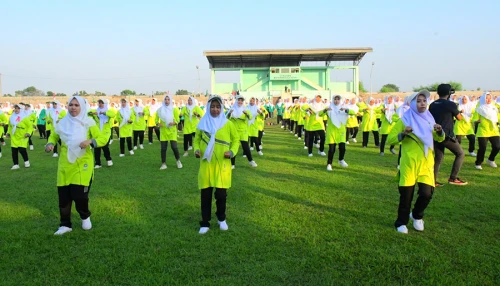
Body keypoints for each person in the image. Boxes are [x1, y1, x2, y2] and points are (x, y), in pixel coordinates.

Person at [45, 96, 109, 235]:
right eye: (71, 105)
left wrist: (90, 141)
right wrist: (50, 143)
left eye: (76, 105)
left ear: (82, 107)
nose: (73, 107)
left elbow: (102, 138)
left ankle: (85, 215)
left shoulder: (89, 122)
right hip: (65, 164)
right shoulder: (63, 122)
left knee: (79, 195)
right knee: (64, 197)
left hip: (82, 164)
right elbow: (54, 136)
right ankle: (65, 224)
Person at [387, 90, 444, 234]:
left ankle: (417, 216)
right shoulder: (404, 120)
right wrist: (404, 134)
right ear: (412, 104)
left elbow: (439, 139)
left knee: (427, 193)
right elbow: (391, 139)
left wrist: (439, 132)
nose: (422, 104)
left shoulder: (430, 119)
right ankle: (401, 222)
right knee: (406, 196)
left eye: (424, 101)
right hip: (409, 163)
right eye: (418, 101)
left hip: (426, 163)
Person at [194, 95, 239, 234]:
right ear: (208, 107)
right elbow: (196, 139)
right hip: (206, 164)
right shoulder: (203, 123)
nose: (215, 109)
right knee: (205, 195)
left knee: (221, 195)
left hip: (222, 165)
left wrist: (231, 152)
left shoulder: (228, 124)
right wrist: (196, 149)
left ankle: (221, 219)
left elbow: (236, 140)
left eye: (218, 107)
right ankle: (205, 223)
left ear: (222, 108)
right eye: (212, 106)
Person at [429, 84, 467, 186]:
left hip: (435, 134)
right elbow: (459, 118)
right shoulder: (451, 104)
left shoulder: (432, 104)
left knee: (438, 158)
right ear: (449, 93)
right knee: (460, 153)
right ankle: (453, 178)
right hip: (446, 134)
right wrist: (458, 111)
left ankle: (432, 180)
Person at [320, 95, 355, 171]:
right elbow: (320, 114)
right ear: (333, 100)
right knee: (332, 149)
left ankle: (341, 160)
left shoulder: (343, 108)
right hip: (332, 131)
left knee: (342, 148)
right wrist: (325, 110)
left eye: (338, 99)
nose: (336, 101)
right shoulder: (329, 108)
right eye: (335, 99)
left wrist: (346, 110)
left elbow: (353, 113)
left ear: (340, 100)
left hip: (341, 131)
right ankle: (329, 164)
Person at [227, 95, 258, 168]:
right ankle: (232, 164)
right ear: (236, 100)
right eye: (239, 100)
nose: (240, 102)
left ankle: (251, 161)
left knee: (245, 146)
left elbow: (250, 117)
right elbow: (226, 118)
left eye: (241, 100)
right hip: (234, 131)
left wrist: (246, 114)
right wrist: (229, 113)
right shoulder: (232, 109)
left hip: (243, 131)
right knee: (233, 147)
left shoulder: (245, 109)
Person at [472, 92, 500, 169]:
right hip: (483, 131)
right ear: (483, 99)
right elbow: (474, 118)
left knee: (497, 146)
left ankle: (491, 159)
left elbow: (498, 117)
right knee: (482, 148)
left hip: (493, 130)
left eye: (490, 98)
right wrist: (476, 120)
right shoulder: (479, 108)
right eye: (486, 98)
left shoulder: (494, 108)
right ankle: (478, 163)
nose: (488, 99)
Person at [156, 95, 182, 170]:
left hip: (172, 131)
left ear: (170, 101)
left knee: (174, 147)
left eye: (168, 99)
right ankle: (163, 163)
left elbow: (177, 119)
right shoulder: (159, 110)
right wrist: (158, 123)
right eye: (165, 99)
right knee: (163, 148)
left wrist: (174, 123)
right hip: (163, 131)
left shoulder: (174, 110)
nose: (167, 101)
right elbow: (156, 119)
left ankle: (178, 161)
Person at [6, 104, 33, 169]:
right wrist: (8, 133)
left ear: (21, 109)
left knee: (22, 150)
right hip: (14, 136)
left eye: (18, 108)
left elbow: (30, 126)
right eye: (15, 108)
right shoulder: (12, 117)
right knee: (14, 150)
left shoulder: (25, 117)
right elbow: (10, 126)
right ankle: (16, 164)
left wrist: (28, 133)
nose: (16, 109)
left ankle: (26, 162)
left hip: (23, 136)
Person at [90, 99, 115, 168]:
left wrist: (103, 113)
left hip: (105, 132)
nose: (100, 104)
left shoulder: (108, 111)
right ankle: (98, 163)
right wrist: (91, 113)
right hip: (97, 132)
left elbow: (113, 114)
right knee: (96, 147)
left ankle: (108, 159)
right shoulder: (96, 111)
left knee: (105, 146)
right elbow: (88, 113)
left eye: (102, 103)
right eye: (99, 103)